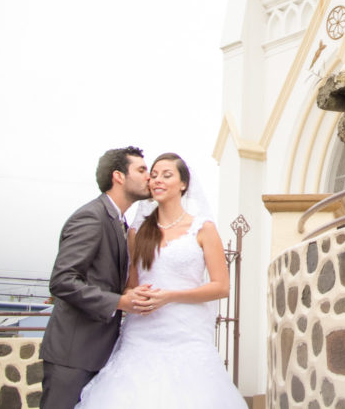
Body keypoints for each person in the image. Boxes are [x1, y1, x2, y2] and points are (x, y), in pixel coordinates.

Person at [75, 152, 246, 408]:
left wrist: (169, 296)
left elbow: (221, 287)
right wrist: (134, 295)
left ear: (183, 184)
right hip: (142, 335)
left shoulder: (203, 229)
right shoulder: (138, 232)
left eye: (167, 175)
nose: (157, 180)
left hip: (186, 334)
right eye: (153, 175)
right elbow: (130, 284)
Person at [40, 146, 153, 409]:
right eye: (141, 169)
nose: (149, 177)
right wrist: (119, 302)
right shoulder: (91, 217)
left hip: (99, 354)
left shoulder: (119, 223)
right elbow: (62, 280)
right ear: (119, 176)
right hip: (73, 355)